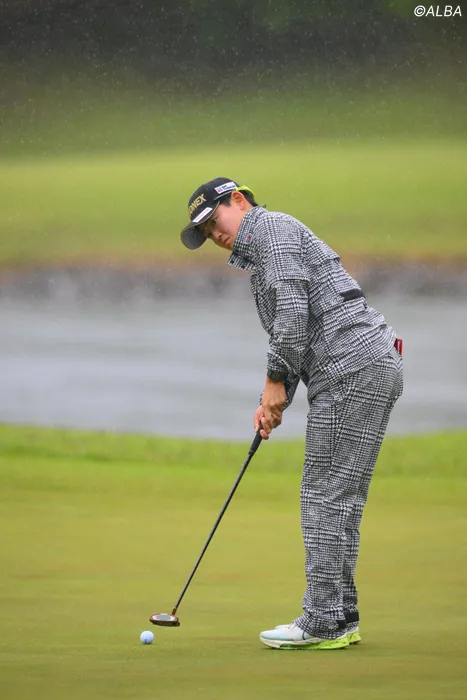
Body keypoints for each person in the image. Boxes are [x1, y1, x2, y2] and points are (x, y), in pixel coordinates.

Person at [180, 177, 404, 650]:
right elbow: (301, 328)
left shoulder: (271, 233)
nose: (215, 235)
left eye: (215, 221)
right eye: (205, 232)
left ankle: (323, 620)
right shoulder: (270, 243)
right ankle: (339, 615)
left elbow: (293, 315)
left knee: (323, 495)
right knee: (339, 498)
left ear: (238, 200)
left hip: (350, 370)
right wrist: (275, 398)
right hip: (365, 365)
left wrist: (273, 382)